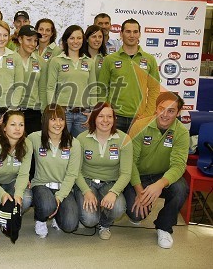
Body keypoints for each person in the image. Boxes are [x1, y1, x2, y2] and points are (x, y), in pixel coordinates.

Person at [124, 91, 189, 249]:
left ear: (178, 112)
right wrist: (140, 191)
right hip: (138, 176)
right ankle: (141, 202)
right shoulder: (140, 126)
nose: (165, 114)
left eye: (171, 111)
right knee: (137, 214)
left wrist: (160, 184)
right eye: (162, 108)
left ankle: (164, 227)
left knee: (181, 188)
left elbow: (179, 165)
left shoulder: (182, 132)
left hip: (162, 176)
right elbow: (130, 162)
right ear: (156, 108)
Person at [74, 102, 132, 240]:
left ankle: (104, 224)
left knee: (118, 207)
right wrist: (86, 192)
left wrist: (113, 192)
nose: (105, 120)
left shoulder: (124, 139)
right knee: (89, 220)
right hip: (87, 182)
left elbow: (126, 173)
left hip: (110, 183)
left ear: (114, 119)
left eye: (109, 116)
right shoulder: (82, 138)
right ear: (94, 118)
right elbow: (75, 171)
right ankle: (93, 209)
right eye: (101, 116)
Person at [98, 18, 160, 133]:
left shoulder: (149, 60)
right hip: (114, 117)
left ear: (139, 34)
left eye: (135, 32)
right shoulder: (109, 59)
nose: (132, 35)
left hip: (140, 117)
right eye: (128, 31)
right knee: (113, 150)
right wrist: (106, 112)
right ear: (121, 34)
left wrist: (148, 114)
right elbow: (102, 88)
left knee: (136, 151)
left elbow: (154, 89)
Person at [28, 104, 81, 237]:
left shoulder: (74, 143)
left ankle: (56, 215)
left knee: (70, 225)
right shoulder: (34, 138)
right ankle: (41, 220)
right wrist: (24, 178)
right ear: (45, 121)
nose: (58, 123)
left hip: (64, 188)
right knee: (46, 206)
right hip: (41, 185)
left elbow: (72, 174)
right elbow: (20, 156)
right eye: (53, 119)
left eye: (61, 119)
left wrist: (59, 196)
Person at [47, 25, 97, 137]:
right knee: (61, 146)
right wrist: (52, 110)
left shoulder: (90, 62)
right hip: (62, 114)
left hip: (83, 114)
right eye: (72, 38)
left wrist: (92, 112)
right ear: (66, 40)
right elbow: (50, 88)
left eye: (79, 38)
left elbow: (92, 87)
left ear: (83, 40)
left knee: (80, 147)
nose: (75, 41)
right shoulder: (56, 61)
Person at [15, 25, 47, 136]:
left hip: (34, 111)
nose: (32, 44)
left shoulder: (41, 61)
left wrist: (44, 112)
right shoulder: (9, 58)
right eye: (29, 40)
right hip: (14, 110)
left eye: (35, 41)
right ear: (20, 39)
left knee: (33, 148)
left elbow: (42, 89)